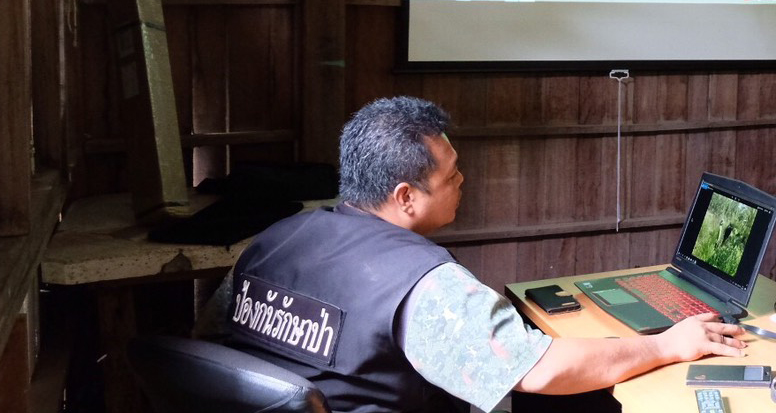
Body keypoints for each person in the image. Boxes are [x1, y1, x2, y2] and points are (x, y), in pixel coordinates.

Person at [225, 96, 745, 412]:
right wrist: (667, 346)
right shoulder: (419, 283)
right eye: (450, 176)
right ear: (405, 197)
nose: (462, 181)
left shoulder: (274, 239)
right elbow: (538, 371)